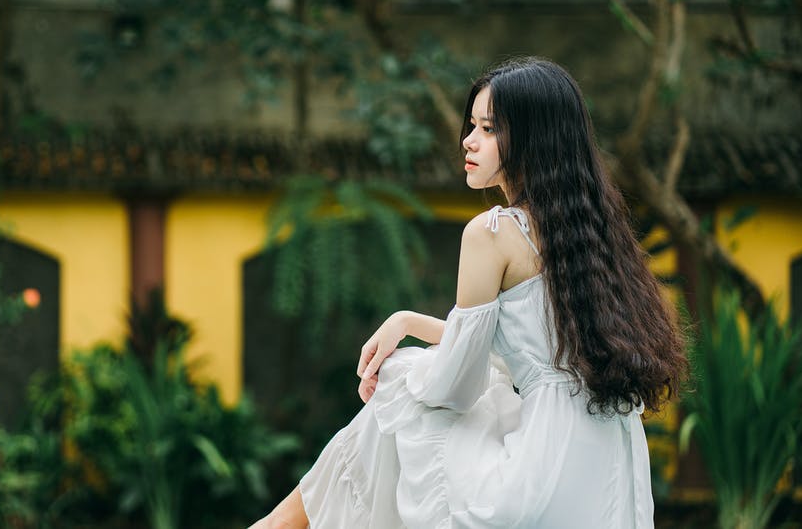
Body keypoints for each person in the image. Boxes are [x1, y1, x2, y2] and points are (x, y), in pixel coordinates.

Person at [251, 57, 687, 528]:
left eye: (489, 128)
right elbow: (522, 351)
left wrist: (399, 371)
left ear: (532, 139)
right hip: (609, 469)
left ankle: (279, 524)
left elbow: (455, 385)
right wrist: (408, 322)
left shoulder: (493, 232)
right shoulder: (593, 235)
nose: (468, 140)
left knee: (398, 395)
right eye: (472, 125)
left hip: (538, 466)